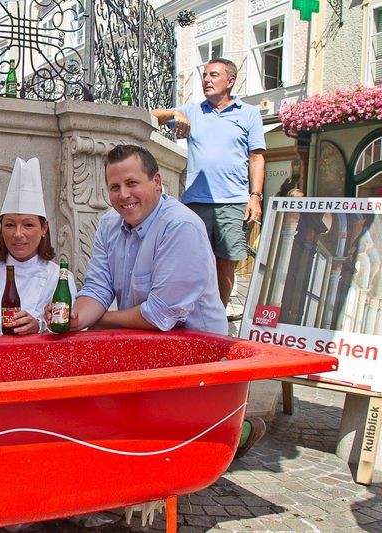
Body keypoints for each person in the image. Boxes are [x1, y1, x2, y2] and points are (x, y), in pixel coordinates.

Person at [47, 144, 263, 458]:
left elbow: (158, 316)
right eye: (115, 187)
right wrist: (76, 317)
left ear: (157, 182)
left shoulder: (180, 226)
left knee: (179, 439)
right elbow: (97, 288)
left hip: (197, 356)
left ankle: (235, 431)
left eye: (132, 183)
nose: (124, 195)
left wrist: (99, 320)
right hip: (147, 349)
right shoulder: (109, 223)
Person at [151, 58, 266, 308]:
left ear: (230, 81)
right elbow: (152, 116)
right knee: (191, 263)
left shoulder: (248, 113)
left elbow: (256, 158)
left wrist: (255, 196)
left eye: (213, 75)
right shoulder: (193, 111)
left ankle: (217, 318)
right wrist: (175, 113)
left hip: (233, 202)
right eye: (204, 75)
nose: (206, 80)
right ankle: (190, 314)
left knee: (225, 265)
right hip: (196, 202)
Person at [0, 157, 77, 335]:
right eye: (10, 225)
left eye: (28, 225)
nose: (18, 234)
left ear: (44, 228)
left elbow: (67, 330)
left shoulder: (58, 278)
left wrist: (39, 326)